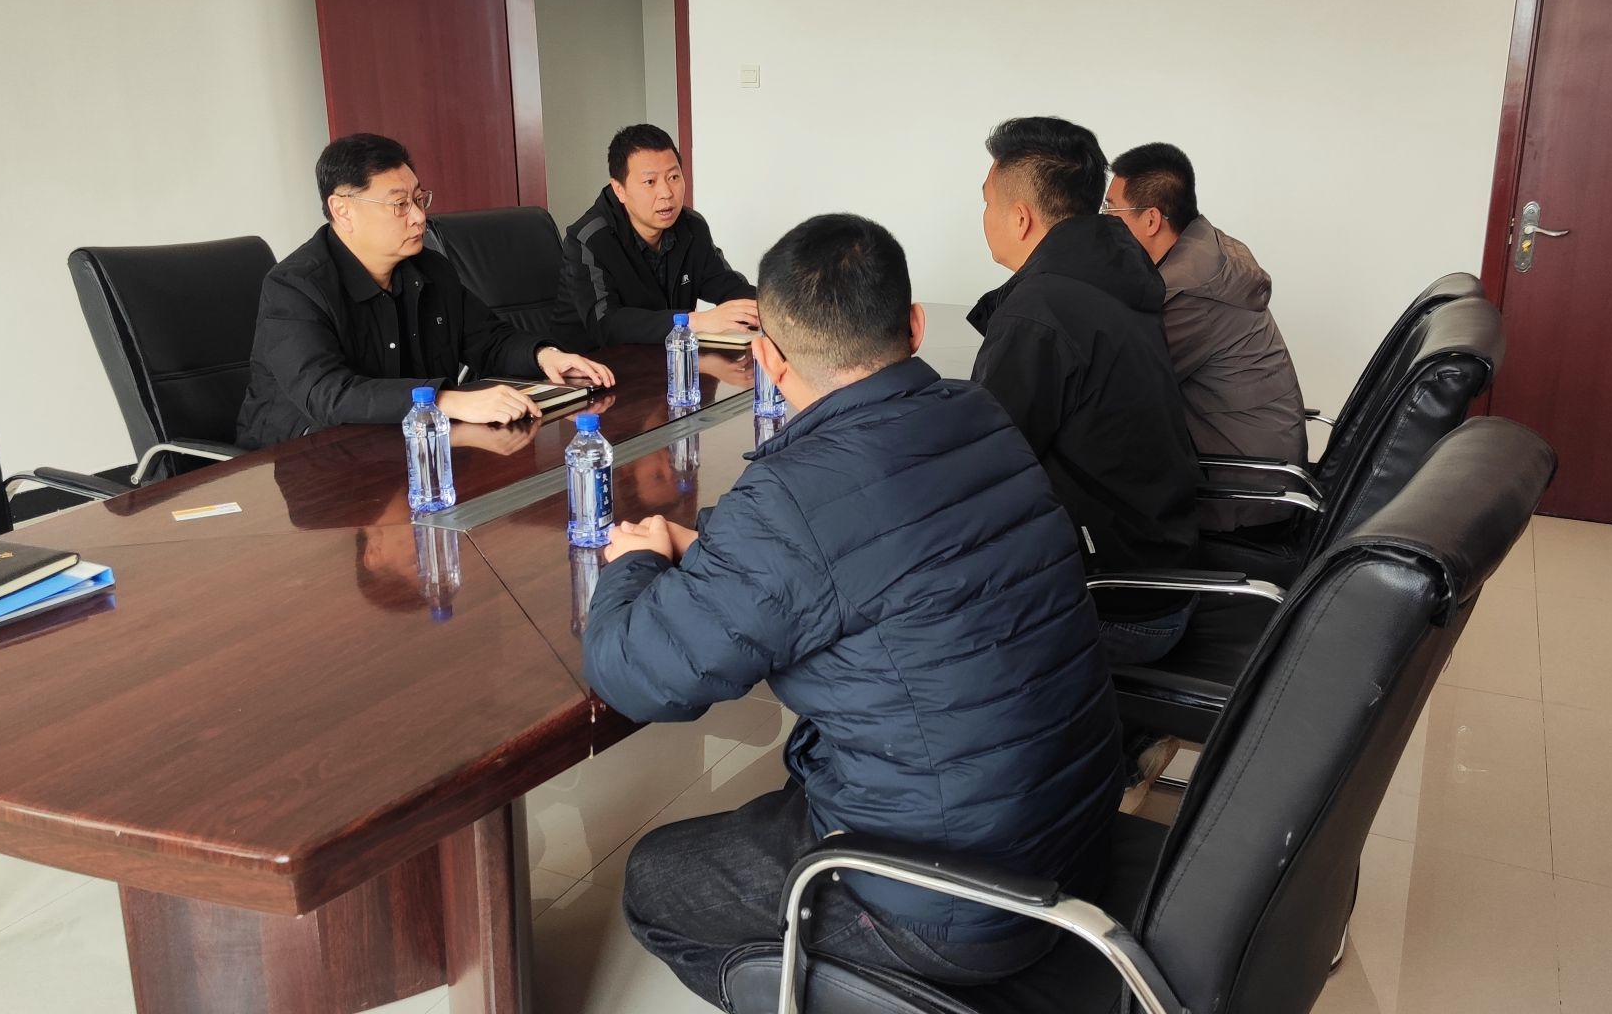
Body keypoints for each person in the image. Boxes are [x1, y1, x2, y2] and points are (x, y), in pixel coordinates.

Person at [583, 214, 1121, 1008]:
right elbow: (864, 547)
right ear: (915, 325)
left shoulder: (791, 497)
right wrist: (717, 551)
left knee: (655, 881)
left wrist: (631, 564)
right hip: (1071, 836)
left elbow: (636, 673)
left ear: (767, 359)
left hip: (957, 902)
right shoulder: (980, 415)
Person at [970, 116, 1205, 665]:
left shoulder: (1042, 311)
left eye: (986, 202)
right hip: (1160, 575)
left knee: (899, 613)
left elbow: (980, 472)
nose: (982, 216)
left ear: (1021, 217)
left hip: (1111, 604)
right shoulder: (1113, 275)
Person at [236, 134, 612, 449]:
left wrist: (545, 356)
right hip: (307, 462)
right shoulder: (295, 287)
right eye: (400, 205)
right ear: (342, 210)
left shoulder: (429, 269)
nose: (418, 217)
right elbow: (329, 395)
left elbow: (488, 340)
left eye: (419, 199)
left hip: (408, 447)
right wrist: (445, 401)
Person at [1107, 143, 1307, 530]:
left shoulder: (1190, 292)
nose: (1104, 223)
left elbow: (1123, 386)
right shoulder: (1202, 248)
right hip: (1258, 471)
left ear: (1151, 220)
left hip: (1243, 498)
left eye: (1111, 210)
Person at [552, 124, 759, 348]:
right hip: (593, 362)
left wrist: (771, 308)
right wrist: (695, 321)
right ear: (619, 189)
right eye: (650, 182)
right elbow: (607, 324)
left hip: (665, 357)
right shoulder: (589, 239)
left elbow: (727, 286)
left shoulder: (692, 226)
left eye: (673, 177)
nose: (666, 193)